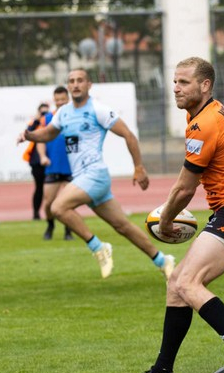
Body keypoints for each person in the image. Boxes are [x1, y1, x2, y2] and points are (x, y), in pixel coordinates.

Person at [132, 56, 224, 373]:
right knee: (177, 283)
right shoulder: (207, 114)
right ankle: (162, 371)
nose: (176, 88)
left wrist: (165, 221)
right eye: (175, 82)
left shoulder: (204, 123)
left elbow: (184, 188)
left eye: (184, 82)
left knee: (187, 282)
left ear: (205, 85)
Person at [17, 69, 174, 280]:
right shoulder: (63, 113)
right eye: (71, 81)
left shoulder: (98, 110)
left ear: (89, 85)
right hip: (83, 178)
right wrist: (29, 135)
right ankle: (163, 260)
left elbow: (128, 135)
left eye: (80, 80)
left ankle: (98, 247)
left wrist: (138, 167)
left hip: (94, 174)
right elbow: (48, 133)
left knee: (57, 207)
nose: (75, 84)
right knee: (122, 226)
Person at [37, 86, 74, 241]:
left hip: (71, 167)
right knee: (48, 203)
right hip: (53, 167)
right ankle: (50, 225)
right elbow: (40, 139)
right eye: (57, 100)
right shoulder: (47, 119)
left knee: (69, 202)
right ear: (54, 100)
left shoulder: (75, 117)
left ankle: (68, 230)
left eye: (63, 99)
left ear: (68, 99)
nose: (60, 102)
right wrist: (42, 156)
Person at [22, 102, 51, 220]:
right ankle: (36, 213)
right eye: (42, 112)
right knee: (39, 188)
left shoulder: (51, 122)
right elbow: (28, 132)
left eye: (46, 112)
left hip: (50, 160)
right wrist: (37, 120)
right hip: (36, 161)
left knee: (51, 189)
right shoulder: (35, 123)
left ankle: (51, 214)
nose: (44, 114)